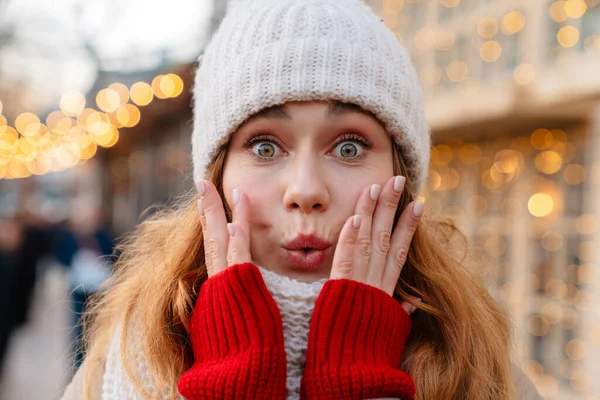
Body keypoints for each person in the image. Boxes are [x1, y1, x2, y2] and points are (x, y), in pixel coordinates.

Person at [61, 0, 543, 399]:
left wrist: (359, 382)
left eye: (349, 147)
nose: (307, 191)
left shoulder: (481, 365)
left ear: (400, 176)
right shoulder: (125, 356)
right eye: (265, 146)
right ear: (217, 176)